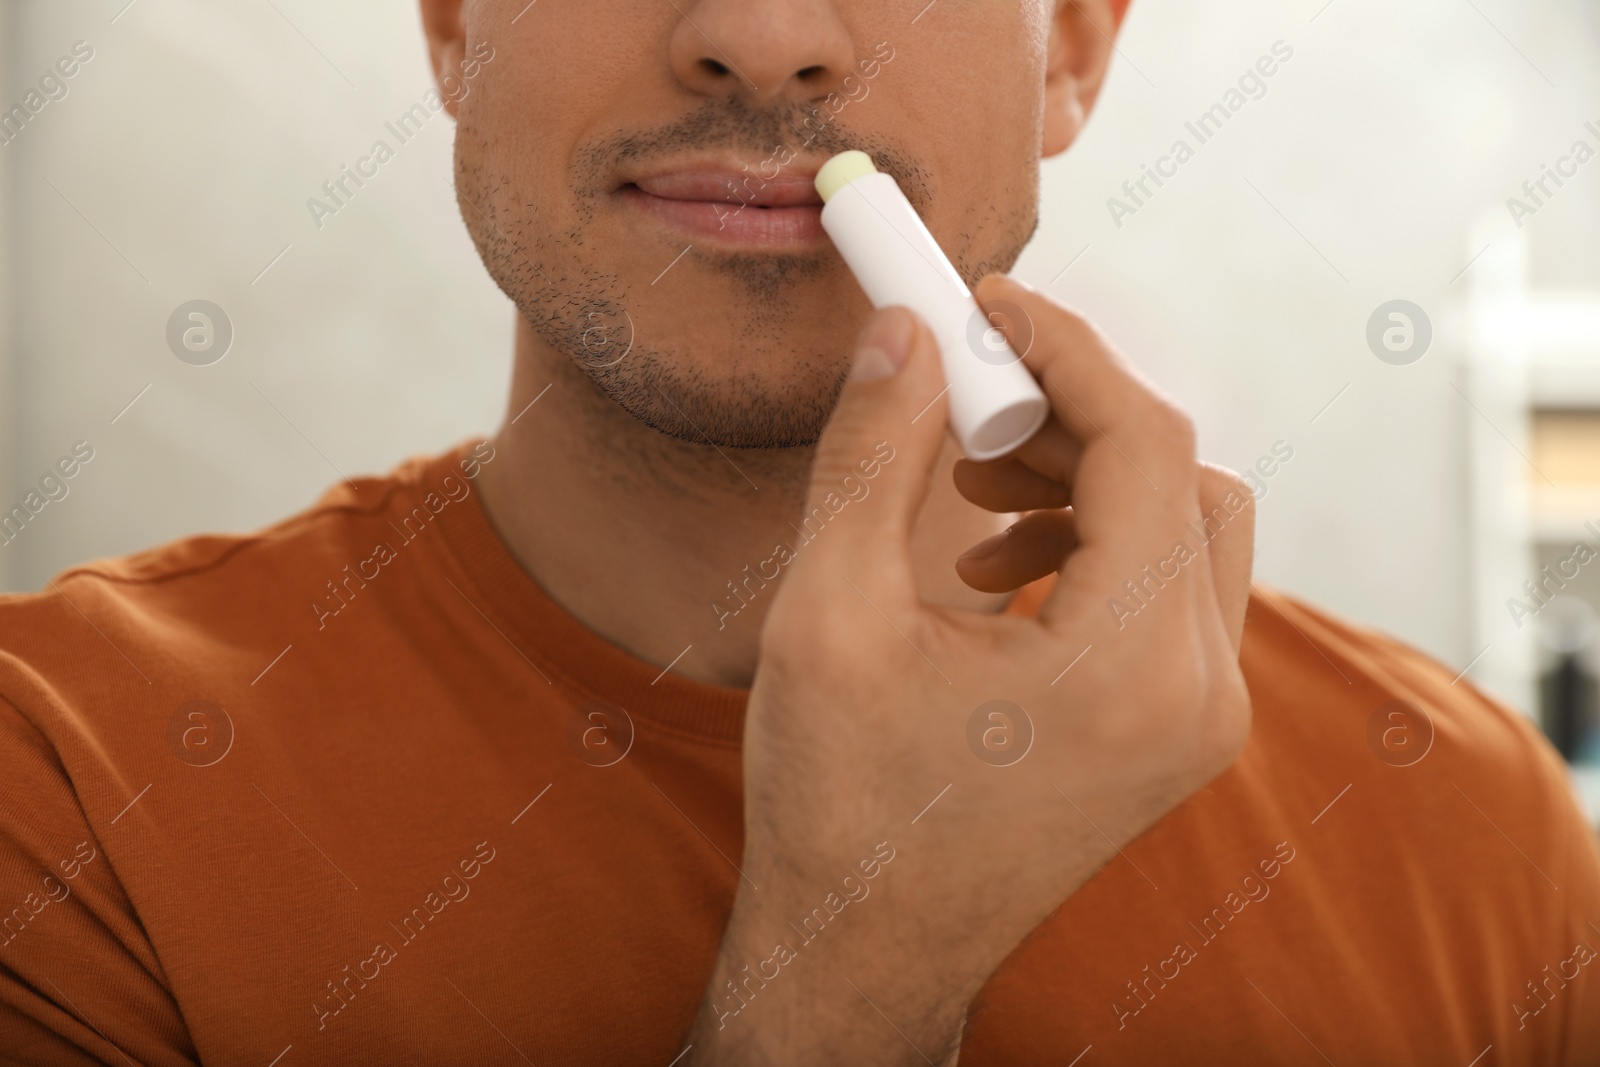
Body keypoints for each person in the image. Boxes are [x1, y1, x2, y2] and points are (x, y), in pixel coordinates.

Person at [1, 1, 1596, 1063]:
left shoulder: (1481, 843)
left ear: (1075, 54)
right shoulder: (61, 789)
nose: (762, 38)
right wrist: (854, 973)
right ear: (454, 26)